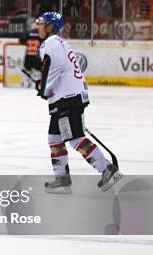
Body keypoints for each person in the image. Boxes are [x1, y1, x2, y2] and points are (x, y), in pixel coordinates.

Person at [35, 12, 122, 193]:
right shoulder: (60, 43)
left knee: (75, 138)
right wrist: (46, 87)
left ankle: (107, 169)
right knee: (54, 138)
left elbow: (54, 66)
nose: (38, 27)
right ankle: (62, 179)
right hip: (69, 96)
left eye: (42, 24)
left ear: (51, 27)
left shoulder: (50, 43)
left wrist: (44, 88)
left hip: (67, 99)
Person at [19, 17, 43, 88]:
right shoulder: (40, 33)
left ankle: (27, 83)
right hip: (36, 55)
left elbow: (21, 41)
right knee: (37, 70)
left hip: (30, 54)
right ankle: (37, 83)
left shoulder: (27, 33)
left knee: (29, 70)